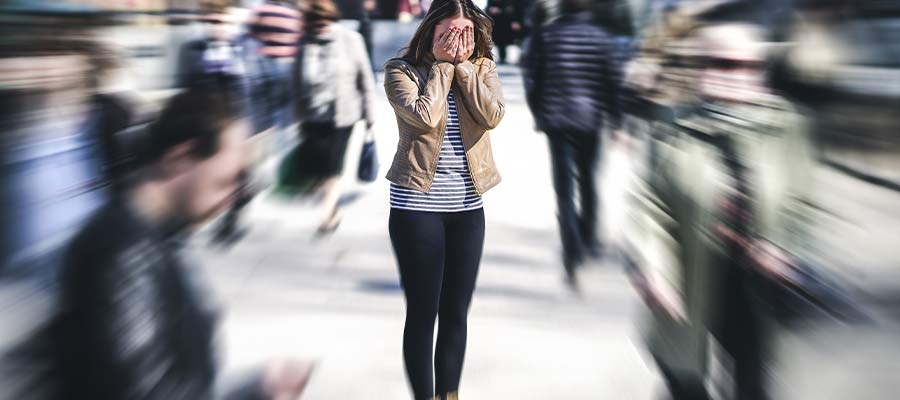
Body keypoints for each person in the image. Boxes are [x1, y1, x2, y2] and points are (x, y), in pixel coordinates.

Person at [51, 88, 314, 400]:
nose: (235, 196)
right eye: (228, 180)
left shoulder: (156, 237)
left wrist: (257, 389)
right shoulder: (121, 255)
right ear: (181, 159)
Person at [383, 0, 504, 397]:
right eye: (446, 35)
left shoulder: (483, 68)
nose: (455, 42)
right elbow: (425, 116)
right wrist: (441, 66)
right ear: (429, 31)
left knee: (456, 314)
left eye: (463, 34)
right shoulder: (401, 70)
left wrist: (464, 67)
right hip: (417, 207)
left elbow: (491, 116)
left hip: (468, 209)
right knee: (423, 314)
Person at [522, 0, 622, 289]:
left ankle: (572, 250)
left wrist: (539, 112)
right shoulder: (601, 38)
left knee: (564, 191)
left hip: (557, 121)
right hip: (590, 121)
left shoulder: (547, 35)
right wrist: (615, 120)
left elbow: (534, 79)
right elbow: (611, 81)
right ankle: (588, 238)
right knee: (589, 181)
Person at [211, 0, 304, 245]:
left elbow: (247, 39)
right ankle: (252, 181)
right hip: (281, 88)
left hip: (260, 85)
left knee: (252, 146)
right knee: (267, 142)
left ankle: (243, 192)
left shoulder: (261, 11)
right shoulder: (294, 15)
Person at [293, 0, 376, 235]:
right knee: (319, 169)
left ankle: (327, 215)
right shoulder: (304, 42)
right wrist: (296, 116)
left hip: (343, 116)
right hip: (312, 116)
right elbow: (296, 81)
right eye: (314, 25)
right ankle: (332, 204)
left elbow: (366, 79)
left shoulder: (350, 40)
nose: (320, 28)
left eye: (323, 23)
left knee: (333, 167)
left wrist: (370, 117)